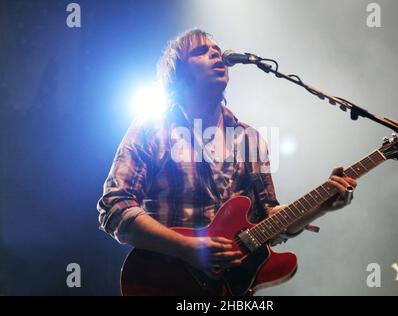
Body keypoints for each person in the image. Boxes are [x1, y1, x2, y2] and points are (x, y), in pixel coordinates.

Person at [97, 28, 357, 277]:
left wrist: (319, 206)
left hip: (232, 288)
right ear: (178, 73)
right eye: (201, 51)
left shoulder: (249, 139)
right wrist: (187, 248)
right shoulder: (153, 128)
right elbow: (115, 207)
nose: (215, 54)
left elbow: (269, 219)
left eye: (217, 50)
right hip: (168, 280)